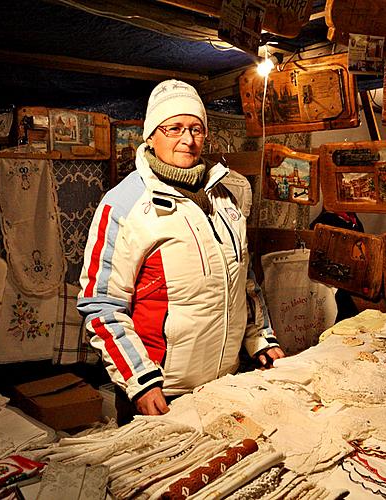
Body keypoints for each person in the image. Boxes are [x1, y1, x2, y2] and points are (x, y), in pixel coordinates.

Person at [78, 79, 285, 423]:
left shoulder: (225, 197)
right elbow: (101, 304)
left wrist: (260, 338)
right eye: (174, 128)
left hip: (225, 383)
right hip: (161, 392)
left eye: (196, 129)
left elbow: (244, 281)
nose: (187, 140)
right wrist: (140, 382)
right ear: (150, 135)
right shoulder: (124, 205)